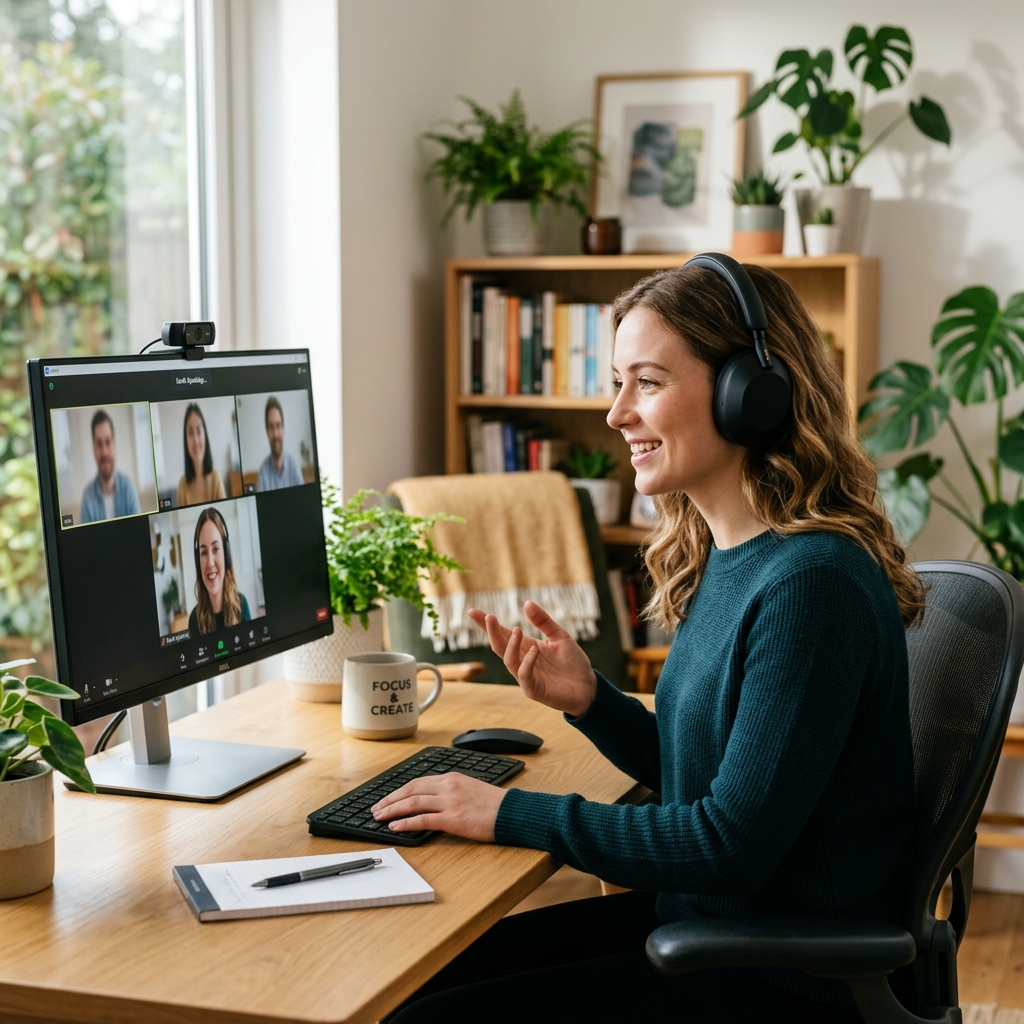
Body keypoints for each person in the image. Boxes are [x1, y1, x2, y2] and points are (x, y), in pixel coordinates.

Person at [374, 263, 924, 1024]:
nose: (617, 415)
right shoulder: (733, 555)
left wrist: (507, 812)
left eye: (649, 382)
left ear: (751, 394)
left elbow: (728, 842)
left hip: (788, 977)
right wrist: (594, 702)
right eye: (616, 383)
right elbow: (706, 775)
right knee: (416, 980)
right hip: (714, 928)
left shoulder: (810, 586)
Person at [188, 506, 251, 635]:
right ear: (197, 560)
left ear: (226, 554)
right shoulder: (194, 620)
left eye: (216, 549)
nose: (210, 563)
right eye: (204, 552)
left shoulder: (241, 605)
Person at [79, 410, 141, 523]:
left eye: (108, 442)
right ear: (93, 449)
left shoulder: (128, 488)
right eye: (99, 444)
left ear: (114, 444)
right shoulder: (87, 498)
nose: (105, 452)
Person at [176, 403, 226, 506]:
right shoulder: (182, 486)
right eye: (190, 433)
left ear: (205, 435)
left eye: (198, 431)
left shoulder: (216, 478)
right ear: (186, 440)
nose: (195, 440)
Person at [257, 396, 304, 491]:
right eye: (271, 427)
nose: (275, 434)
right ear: (267, 432)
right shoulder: (263, 472)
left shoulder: (294, 466)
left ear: (283, 429)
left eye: (278, 426)